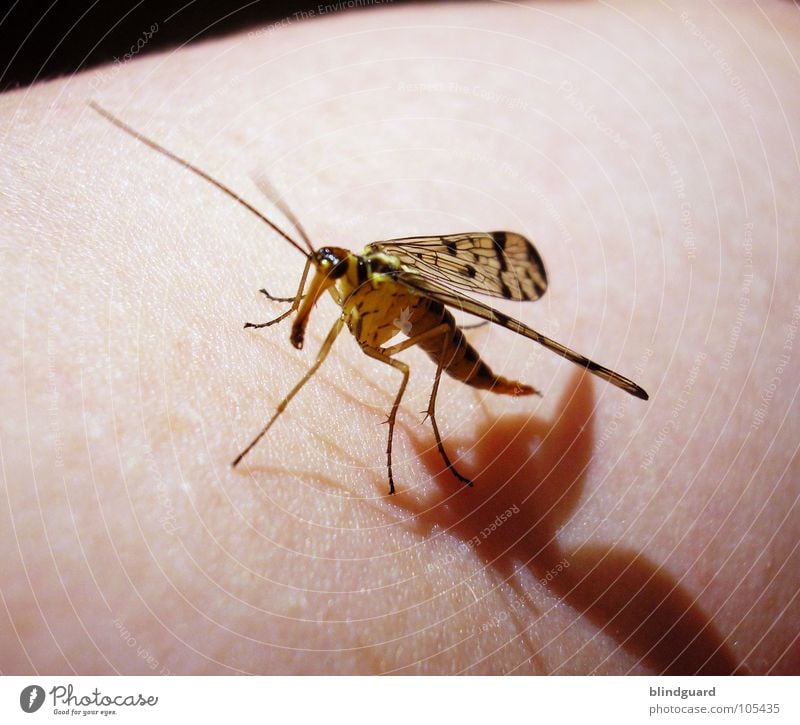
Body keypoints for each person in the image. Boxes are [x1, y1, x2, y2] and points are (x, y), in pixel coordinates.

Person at [1, 0, 797, 674]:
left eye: (323, 283)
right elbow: (326, 288)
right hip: (441, 362)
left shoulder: (384, 278)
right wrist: (298, 307)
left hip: (450, 345)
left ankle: (551, 379)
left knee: (434, 361)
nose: (322, 290)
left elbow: (414, 355)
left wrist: (403, 442)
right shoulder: (343, 278)